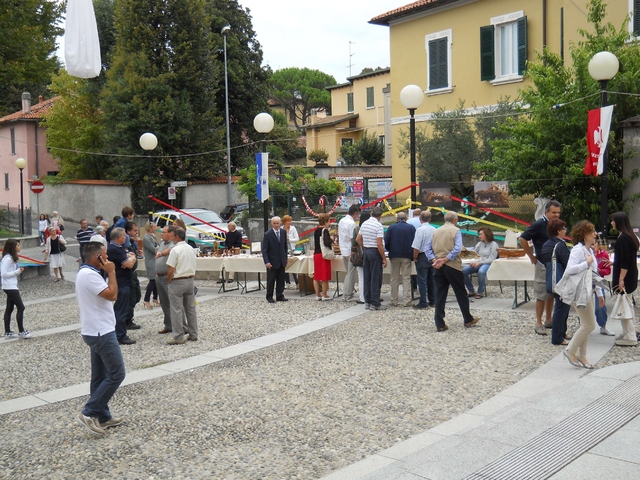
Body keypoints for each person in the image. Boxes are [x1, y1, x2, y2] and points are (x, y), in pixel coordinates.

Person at [76, 241, 126, 436]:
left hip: (94, 330)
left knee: (100, 376)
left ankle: (103, 417)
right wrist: (112, 272)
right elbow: (112, 295)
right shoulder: (90, 275)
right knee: (117, 373)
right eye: (105, 255)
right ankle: (89, 413)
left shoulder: (85, 273)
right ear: (98, 257)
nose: (108, 258)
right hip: (101, 332)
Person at [426, 211, 479, 331]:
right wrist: (446, 259)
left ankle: (439, 323)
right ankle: (467, 318)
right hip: (452, 266)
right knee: (460, 292)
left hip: (438, 266)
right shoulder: (456, 231)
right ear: (455, 220)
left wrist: (435, 259)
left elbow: (427, 248)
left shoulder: (436, 231)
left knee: (440, 294)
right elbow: (457, 248)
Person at [562, 221, 605, 369]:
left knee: (586, 324)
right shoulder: (578, 250)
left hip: (588, 291)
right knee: (589, 325)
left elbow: (594, 274)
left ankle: (583, 355)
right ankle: (570, 351)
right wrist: (586, 263)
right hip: (579, 292)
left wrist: (599, 293)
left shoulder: (589, 250)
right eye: (592, 231)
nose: (595, 234)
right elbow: (569, 270)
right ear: (584, 234)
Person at [519, 200, 562, 335]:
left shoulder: (556, 224)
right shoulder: (538, 224)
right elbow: (522, 238)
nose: (556, 215)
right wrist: (531, 256)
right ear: (546, 212)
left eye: (558, 212)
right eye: (554, 212)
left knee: (551, 293)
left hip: (554, 264)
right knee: (541, 294)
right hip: (543, 264)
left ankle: (548, 320)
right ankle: (538, 322)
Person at [609, 212, 639, 346]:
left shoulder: (623, 239)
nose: (611, 223)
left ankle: (630, 335)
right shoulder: (630, 236)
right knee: (627, 305)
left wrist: (621, 278)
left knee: (624, 305)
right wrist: (615, 263)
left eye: (613, 221)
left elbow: (625, 261)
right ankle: (628, 332)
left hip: (626, 277)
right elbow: (627, 258)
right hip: (631, 275)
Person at [540, 219, 571, 345]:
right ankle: (558, 337)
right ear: (559, 231)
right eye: (564, 229)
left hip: (552, 278)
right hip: (562, 279)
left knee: (560, 306)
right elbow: (568, 263)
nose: (565, 231)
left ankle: (561, 332)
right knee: (562, 308)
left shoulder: (547, 244)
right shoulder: (560, 245)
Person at [166, 227, 198, 344]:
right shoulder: (191, 248)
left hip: (178, 280)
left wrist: (169, 281)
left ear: (177, 237)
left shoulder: (175, 250)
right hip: (190, 279)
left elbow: (170, 269)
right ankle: (194, 333)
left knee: (176, 310)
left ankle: (178, 336)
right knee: (190, 309)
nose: (171, 238)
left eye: (173, 236)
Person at [107, 227, 137, 345]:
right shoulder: (114, 249)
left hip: (124, 282)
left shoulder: (119, 248)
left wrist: (129, 258)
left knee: (121, 308)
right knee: (121, 310)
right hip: (121, 283)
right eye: (124, 236)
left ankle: (118, 333)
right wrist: (131, 258)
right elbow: (129, 263)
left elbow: (128, 258)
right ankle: (120, 335)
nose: (126, 238)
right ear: (119, 237)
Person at [357, 206, 387, 311]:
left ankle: (367, 301)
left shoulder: (364, 223)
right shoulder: (378, 226)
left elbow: (358, 239)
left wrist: (364, 246)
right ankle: (375, 302)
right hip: (375, 252)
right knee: (376, 277)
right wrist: (384, 258)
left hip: (367, 251)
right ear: (380, 216)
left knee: (367, 277)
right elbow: (379, 244)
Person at [385, 212, 416, 307]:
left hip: (394, 255)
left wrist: (390, 250)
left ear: (397, 219)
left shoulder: (391, 228)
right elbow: (415, 242)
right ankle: (407, 300)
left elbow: (387, 242)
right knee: (406, 278)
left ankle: (394, 300)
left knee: (394, 278)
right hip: (406, 255)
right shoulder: (411, 228)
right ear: (406, 218)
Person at [2, 239, 30, 339]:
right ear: (13, 247)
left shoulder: (11, 258)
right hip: (10, 286)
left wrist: (17, 271)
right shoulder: (8, 259)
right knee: (21, 307)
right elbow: (3, 273)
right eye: (18, 245)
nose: (20, 247)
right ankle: (21, 331)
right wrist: (16, 272)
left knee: (9, 308)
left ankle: (7, 332)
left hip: (11, 285)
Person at [155, 225, 180, 334]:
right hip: (159, 276)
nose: (162, 234)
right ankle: (168, 325)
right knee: (164, 302)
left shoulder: (173, 244)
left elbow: (168, 251)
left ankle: (178, 326)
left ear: (170, 234)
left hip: (167, 276)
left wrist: (160, 253)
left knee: (173, 303)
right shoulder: (162, 243)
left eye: (164, 232)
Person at [462, 226, 498, 299]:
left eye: (481, 234)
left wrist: (479, 263)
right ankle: (471, 290)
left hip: (488, 263)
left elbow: (491, 259)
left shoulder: (494, 244)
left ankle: (480, 291)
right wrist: (473, 262)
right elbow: (475, 255)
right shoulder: (479, 244)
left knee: (481, 272)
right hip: (478, 262)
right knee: (463, 270)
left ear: (487, 234)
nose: (479, 236)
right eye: (479, 234)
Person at [412, 210, 436, 309]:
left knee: (422, 280)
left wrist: (415, 257)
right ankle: (433, 300)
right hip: (432, 255)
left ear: (420, 219)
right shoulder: (434, 229)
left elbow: (416, 246)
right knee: (431, 280)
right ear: (430, 219)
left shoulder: (420, 230)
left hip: (422, 256)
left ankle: (423, 302)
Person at [261, 216, 289, 304]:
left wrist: (285, 258)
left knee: (281, 279)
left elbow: (285, 246)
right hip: (272, 261)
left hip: (281, 260)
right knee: (271, 280)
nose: (276, 225)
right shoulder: (268, 234)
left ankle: (279, 295)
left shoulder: (283, 232)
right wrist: (267, 261)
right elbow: (264, 250)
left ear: (280, 223)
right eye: (274, 223)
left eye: (277, 223)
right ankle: (269, 296)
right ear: (271, 224)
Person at [338, 205, 360, 300]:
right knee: (351, 273)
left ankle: (346, 292)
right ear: (355, 213)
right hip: (350, 249)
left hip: (343, 248)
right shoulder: (352, 224)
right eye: (357, 214)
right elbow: (353, 239)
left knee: (348, 272)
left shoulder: (341, 220)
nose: (357, 216)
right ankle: (347, 293)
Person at [593, 239, 614, 336]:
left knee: (600, 306)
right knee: (583, 304)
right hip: (587, 282)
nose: (592, 246)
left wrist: (600, 271)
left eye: (594, 244)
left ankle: (603, 326)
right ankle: (583, 326)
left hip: (598, 281)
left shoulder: (603, 254)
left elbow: (608, 271)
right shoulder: (586, 253)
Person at [125, 221, 142, 330]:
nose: (137, 233)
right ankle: (127, 320)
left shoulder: (133, 242)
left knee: (137, 295)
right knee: (131, 296)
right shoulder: (126, 241)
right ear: (128, 231)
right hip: (128, 273)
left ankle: (128, 316)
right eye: (135, 230)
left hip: (133, 272)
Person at [313, 213, 333, 301]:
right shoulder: (325, 230)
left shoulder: (316, 230)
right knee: (324, 276)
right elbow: (326, 242)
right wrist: (332, 239)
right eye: (329, 221)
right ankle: (324, 294)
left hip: (316, 254)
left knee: (316, 276)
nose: (329, 222)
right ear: (325, 222)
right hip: (323, 254)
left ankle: (317, 294)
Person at [142, 221, 160, 309]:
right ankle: (146, 299)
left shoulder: (154, 236)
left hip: (155, 260)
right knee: (152, 281)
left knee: (156, 280)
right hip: (150, 261)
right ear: (150, 228)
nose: (155, 228)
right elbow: (154, 249)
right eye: (154, 227)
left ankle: (155, 298)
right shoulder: (146, 238)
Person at [354, 212, 370, 304]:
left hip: (360, 254)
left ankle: (362, 297)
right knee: (370, 276)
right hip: (370, 252)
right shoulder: (370, 227)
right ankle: (369, 295)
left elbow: (354, 242)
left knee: (361, 276)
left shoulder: (357, 229)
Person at [282, 216, 300, 289]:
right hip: (283, 249)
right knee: (285, 266)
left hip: (292, 249)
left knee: (293, 265)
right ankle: (287, 282)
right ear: (284, 222)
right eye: (288, 221)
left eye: (290, 221)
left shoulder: (293, 228)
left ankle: (297, 282)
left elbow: (297, 239)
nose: (289, 222)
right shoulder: (281, 229)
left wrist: (289, 239)